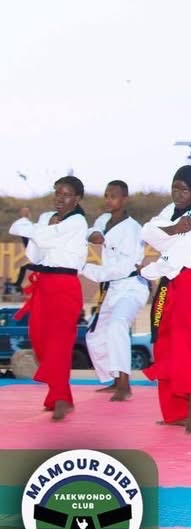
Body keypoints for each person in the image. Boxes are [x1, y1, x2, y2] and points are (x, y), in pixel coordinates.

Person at [140, 166, 191, 434]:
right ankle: (174, 412)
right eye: (175, 187)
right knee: (164, 344)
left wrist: (149, 268)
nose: (178, 193)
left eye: (184, 189)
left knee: (182, 343)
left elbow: (175, 256)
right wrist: (173, 229)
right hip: (174, 284)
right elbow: (148, 232)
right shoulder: (172, 213)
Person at [8, 176, 89, 420]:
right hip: (43, 284)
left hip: (65, 285)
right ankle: (57, 394)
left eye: (66, 194)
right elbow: (35, 250)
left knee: (60, 342)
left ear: (77, 198)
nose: (59, 198)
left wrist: (28, 224)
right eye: (57, 193)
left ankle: (61, 397)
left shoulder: (78, 222)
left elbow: (38, 235)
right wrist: (38, 228)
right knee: (39, 339)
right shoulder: (46, 219)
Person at [82, 179, 149, 402]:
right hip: (111, 288)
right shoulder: (104, 219)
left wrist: (85, 269)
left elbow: (121, 268)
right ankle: (112, 378)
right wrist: (94, 236)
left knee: (117, 324)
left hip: (131, 286)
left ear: (124, 199)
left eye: (114, 196)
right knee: (94, 336)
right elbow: (92, 231)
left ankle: (124, 383)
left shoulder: (133, 229)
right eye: (107, 195)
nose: (109, 200)